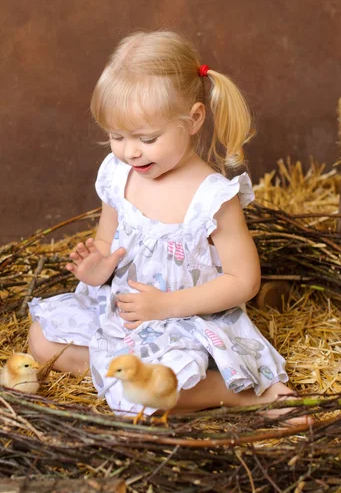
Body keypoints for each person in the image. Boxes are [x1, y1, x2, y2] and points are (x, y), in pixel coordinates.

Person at [28, 30, 303, 422]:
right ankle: (139, 376)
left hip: (185, 320)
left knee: (140, 393)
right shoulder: (119, 174)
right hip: (122, 310)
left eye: (147, 138)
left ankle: (244, 394)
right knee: (42, 340)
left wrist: (165, 306)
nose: (130, 151)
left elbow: (244, 281)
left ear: (192, 120)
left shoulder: (211, 198)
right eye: (116, 136)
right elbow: (107, 239)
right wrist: (99, 268)